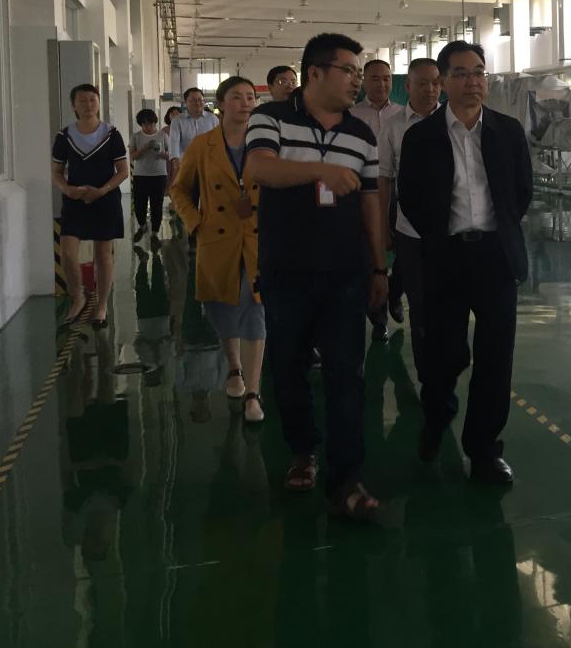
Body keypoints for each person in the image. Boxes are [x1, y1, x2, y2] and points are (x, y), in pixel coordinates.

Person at [243, 33, 387, 520]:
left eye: (359, 73)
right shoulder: (272, 117)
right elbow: (260, 169)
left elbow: (370, 201)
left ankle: (346, 479)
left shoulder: (362, 134)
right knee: (288, 367)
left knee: (347, 374)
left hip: (345, 271)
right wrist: (320, 171)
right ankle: (303, 449)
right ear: (315, 73)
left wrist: (378, 266)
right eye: (349, 71)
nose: (357, 81)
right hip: (286, 269)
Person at [398, 41, 532, 484]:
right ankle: (437, 418)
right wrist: (439, 238)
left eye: (479, 72)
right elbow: (410, 198)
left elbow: (522, 192)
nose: (473, 81)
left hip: (496, 257)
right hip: (446, 256)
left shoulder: (508, 131)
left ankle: (484, 449)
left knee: (496, 358)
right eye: (461, 73)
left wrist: (499, 231)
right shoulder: (422, 137)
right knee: (442, 354)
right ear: (443, 81)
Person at [169, 76, 266, 423]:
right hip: (216, 237)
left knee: (255, 307)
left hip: (258, 237)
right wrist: (196, 223)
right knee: (222, 306)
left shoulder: (266, 142)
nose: (246, 103)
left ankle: (253, 392)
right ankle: (234, 367)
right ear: (221, 104)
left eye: (250, 97)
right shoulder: (202, 145)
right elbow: (179, 190)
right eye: (237, 97)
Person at [377, 58, 442, 383]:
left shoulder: (453, 121)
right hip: (409, 227)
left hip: (449, 231)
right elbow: (384, 178)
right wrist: (382, 225)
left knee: (444, 303)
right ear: (408, 86)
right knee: (421, 305)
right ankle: (428, 379)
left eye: (436, 83)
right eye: (423, 83)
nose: (431, 90)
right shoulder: (393, 127)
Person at [52, 83, 129, 328]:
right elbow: (56, 171)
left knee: (103, 255)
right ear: (73, 105)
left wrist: (102, 191)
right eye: (82, 101)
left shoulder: (111, 134)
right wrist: (67, 189)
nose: (88, 105)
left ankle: (102, 305)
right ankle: (78, 297)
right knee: (67, 252)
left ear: (98, 102)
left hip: (105, 200)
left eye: (92, 100)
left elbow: (123, 171)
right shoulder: (64, 136)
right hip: (75, 200)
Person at [352, 59, 404, 341]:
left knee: (406, 249)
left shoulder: (403, 114)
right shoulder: (352, 117)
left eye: (386, 78)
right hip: (365, 191)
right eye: (375, 78)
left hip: (400, 189)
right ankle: (378, 317)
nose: (382, 84)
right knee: (374, 253)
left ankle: (396, 291)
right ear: (364, 81)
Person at [129, 108, 169, 243]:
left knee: (157, 204)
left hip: (159, 175)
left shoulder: (163, 136)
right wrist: (144, 148)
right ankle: (142, 226)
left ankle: (155, 232)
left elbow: (170, 155)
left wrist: (159, 153)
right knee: (139, 204)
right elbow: (133, 157)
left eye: (151, 124)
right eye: (145, 124)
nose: (149, 127)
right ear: (141, 124)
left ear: (155, 123)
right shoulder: (136, 137)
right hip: (141, 175)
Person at [168, 87, 220, 177]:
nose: (197, 103)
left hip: (209, 164)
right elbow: (174, 142)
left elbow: (218, 140)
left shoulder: (212, 119)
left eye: (200, 100)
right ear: (186, 102)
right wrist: (175, 162)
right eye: (193, 100)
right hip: (186, 165)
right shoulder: (177, 121)